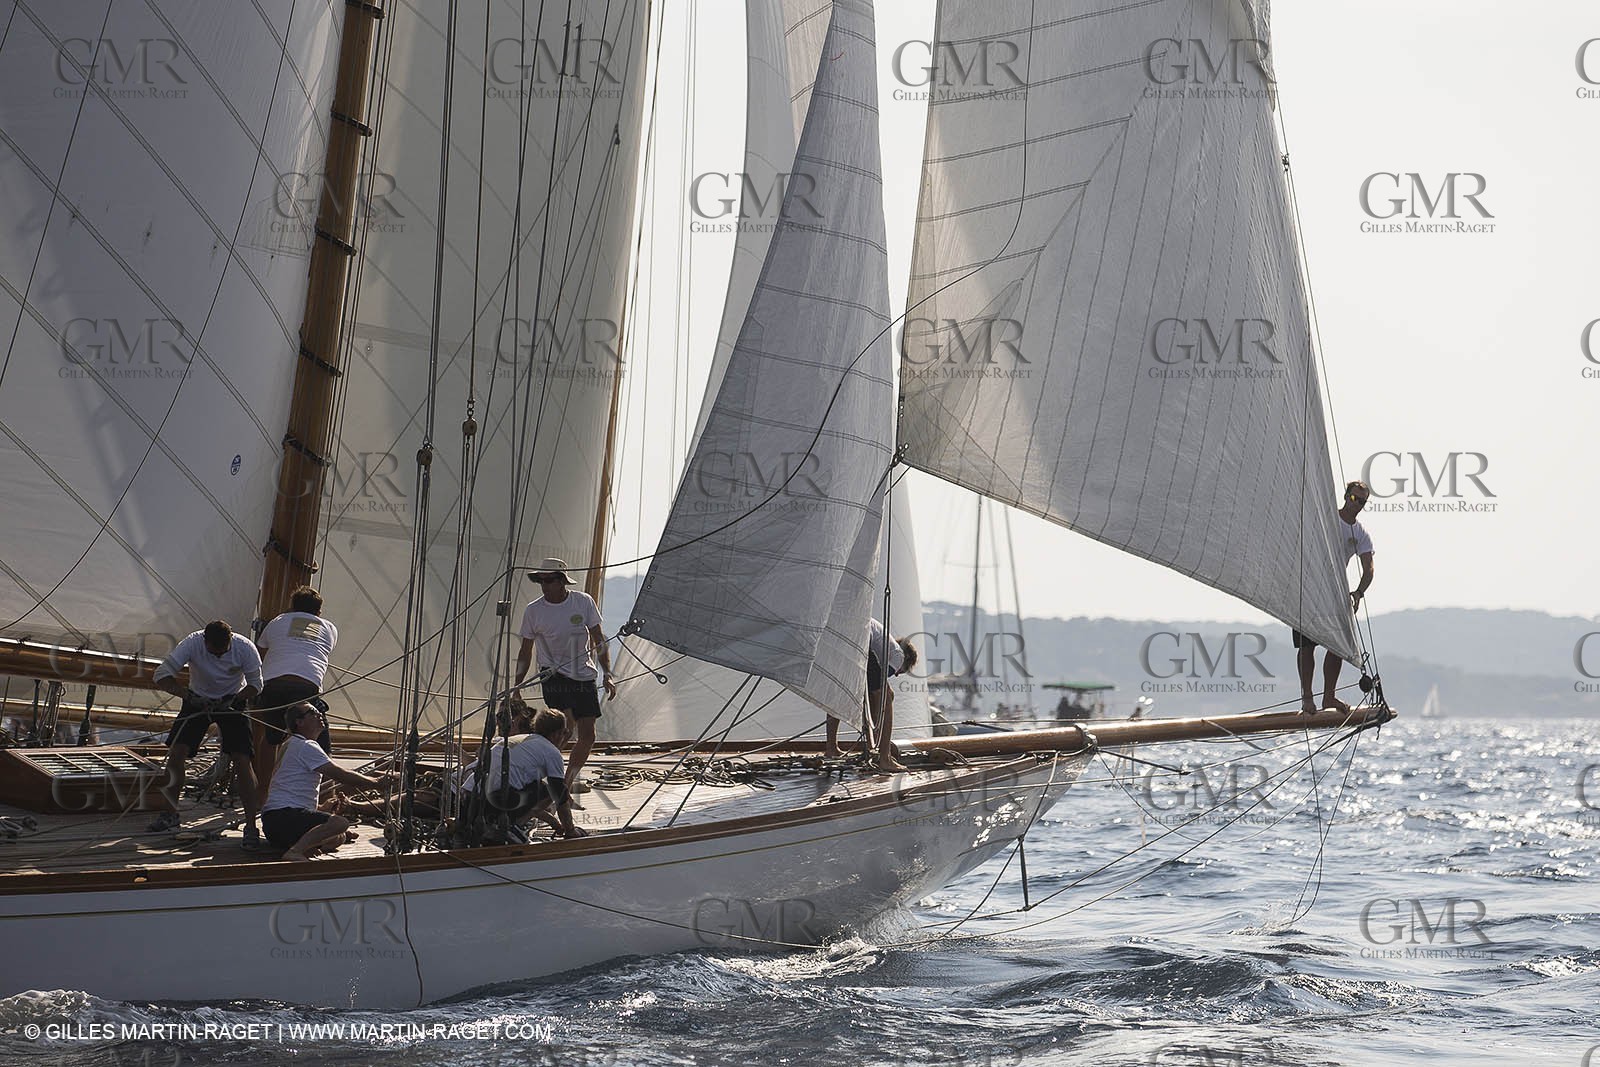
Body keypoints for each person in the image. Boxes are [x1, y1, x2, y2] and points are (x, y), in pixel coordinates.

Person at [148, 621, 264, 844]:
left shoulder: (245, 648)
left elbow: (256, 685)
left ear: (231, 641)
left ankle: (251, 825)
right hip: (196, 700)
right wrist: (188, 696)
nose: (219, 656)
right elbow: (161, 675)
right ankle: (170, 814)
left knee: (242, 759)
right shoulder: (192, 643)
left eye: (224, 651)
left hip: (232, 701)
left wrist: (234, 699)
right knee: (177, 752)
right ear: (205, 642)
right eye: (214, 652)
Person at [512, 558, 615, 797]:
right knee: (566, 728)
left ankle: (566, 783)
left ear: (561, 581)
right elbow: (525, 650)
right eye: (540, 580)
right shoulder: (534, 610)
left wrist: (608, 674)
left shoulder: (583, 602)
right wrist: (517, 685)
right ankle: (545, 778)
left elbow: (599, 638)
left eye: (549, 580)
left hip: (583, 674)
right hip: (553, 674)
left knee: (588, 735)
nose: (544, 585)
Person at [261, 702, 389, 861]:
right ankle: (295, 851)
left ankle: (302, 845)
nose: (319, 715)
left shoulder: (291, 744)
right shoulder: (306, 745)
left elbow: (293, 793)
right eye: (312, 712)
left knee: (338, 837)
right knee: (340, 824)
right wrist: (376, 782)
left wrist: (323, 808)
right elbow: (339, 774)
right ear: (299, 722)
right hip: (283, 817)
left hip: (274, 823)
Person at [1297, 480, 1376, 713]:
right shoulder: (1326, 519)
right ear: (1345, 496)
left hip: (1335, 592)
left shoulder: (1360, 534)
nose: (1357, 504)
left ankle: (1328, 697)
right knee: (1306, 645)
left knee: (1337, 646)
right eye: (1354, 498)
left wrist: (1359, 592)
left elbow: (1369, 568)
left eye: (1362, 501)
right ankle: (1307, 697)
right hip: (1309, 589)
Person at [253, 585, 338, 796]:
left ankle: (263, 791)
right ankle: (327, 798)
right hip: (306, 687)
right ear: (319, 611)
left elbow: (260, 653)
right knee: (320, 742)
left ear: (292, 607)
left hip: (273, 685)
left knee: (271, 739)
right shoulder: (329, 628)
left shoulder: (277, 622)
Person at [457, 707, 586, 840]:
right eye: (565, 732)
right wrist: (570, 831)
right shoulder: (552, 752)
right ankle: (514, 827)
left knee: (540, 787)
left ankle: (499, 826)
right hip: (495, 804)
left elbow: (532, 806)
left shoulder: (516, 739)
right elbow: (560, 796)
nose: (565, 736)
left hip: (468, 800)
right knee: (550, 789)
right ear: (556, 734)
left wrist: (553, 822)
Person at [824, 618, 919, 772]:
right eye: (901, 671)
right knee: (886, 697)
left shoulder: (884, 643)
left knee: (841, 692)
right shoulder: (898, 655)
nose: (896, 675)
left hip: (845, 636)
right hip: (862, 642)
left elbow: (868, 694)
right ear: (906, 660)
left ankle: (831, 748)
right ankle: (885, 758)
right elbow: (878, 694)